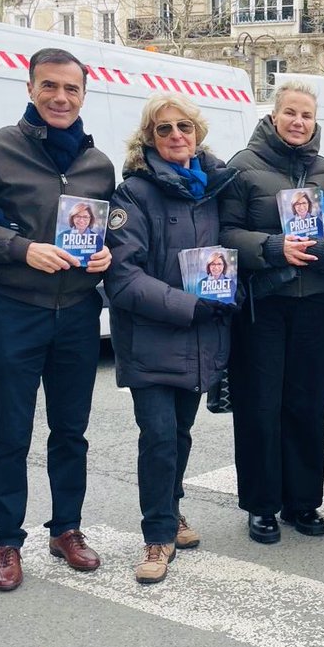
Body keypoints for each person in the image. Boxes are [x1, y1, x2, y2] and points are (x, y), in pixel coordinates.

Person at [0, 47, 115, 592]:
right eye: (50, 87)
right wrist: (21, 249)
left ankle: (67, 530)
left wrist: (107, 253)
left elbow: (105, 231)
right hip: (16, 308)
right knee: (11, 432)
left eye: (71, 89)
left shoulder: (98, 164)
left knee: (71, 431)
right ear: (30, 88)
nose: (61, 98)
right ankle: (7, 542)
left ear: (84, 95)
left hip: (80, 311)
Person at [103, 93, 237, 584]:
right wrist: (190, 305)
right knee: (158, 438)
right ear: (149, 139)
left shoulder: (216, 188)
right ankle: (157, 536)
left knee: (179, 436)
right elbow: (122, 277)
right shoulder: (134, 194)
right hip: (152, 338)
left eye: (185, 126)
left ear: (198, 133)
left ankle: (171, 511)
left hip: (201, 340)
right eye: (164, 129)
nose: (177, 135)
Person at [219, 80, 324, 544]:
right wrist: (271, 247)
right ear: (274, 117)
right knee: (260, 407)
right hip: (263, 305)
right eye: (290, 113)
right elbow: (223, 232)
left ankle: (303, 502)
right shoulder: (243, 167)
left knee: (308, 406)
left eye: (306, 116)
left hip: (314, 303)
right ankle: (261, 505)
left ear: (315, 122)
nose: (298, 122)